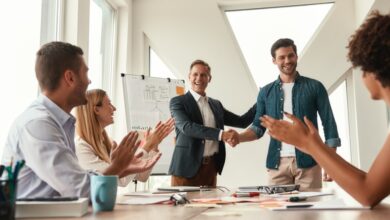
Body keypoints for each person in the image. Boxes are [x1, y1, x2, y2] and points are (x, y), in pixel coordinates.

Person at [260, 11, 390, 207]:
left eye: (362, 68)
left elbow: (368, 194)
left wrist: (308, 143)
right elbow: (370, 186)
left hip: (308, 165)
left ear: (375, 70)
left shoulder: (314, 87)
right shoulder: (267, 91)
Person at [3, 41, 147, 198]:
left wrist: (118, 168)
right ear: (70, 78)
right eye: (85, 73)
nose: (89, 81)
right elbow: (80, 190)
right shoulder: (37, 124)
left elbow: (77, 179)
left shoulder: (58, 122)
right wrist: (117, 167)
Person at [232, 38, 341, 190]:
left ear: (296, 56)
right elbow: (258, 128)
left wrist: (331, 163)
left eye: (290, 56)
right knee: (278, 212)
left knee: (311, 213)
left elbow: (329, 124)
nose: (287, 60)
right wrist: (239, 137)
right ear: (274, 61)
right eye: (282, 57)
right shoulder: (265, 92)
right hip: (277, 165)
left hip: (310, 161)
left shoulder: (315, 87)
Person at [168, 59, 256, 187]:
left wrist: (262, 100)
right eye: (195, 74)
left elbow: (242, 121)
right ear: (189, 77)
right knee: (183, 207)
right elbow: (187, 128)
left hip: (211, 168)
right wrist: (222, 135)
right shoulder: (178, 102)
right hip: (185, 169)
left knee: (210, 206)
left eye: (203, 75)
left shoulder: (216, 105)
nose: (199, 78)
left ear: (209, 78)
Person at [74, 89, 174, 187]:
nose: (114, 108)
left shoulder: (108, 142)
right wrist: (147, 146)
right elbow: (120, 180)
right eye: (109, 103)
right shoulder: (81, 146)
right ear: (96, 109)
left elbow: (142, 176)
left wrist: (153, 146)